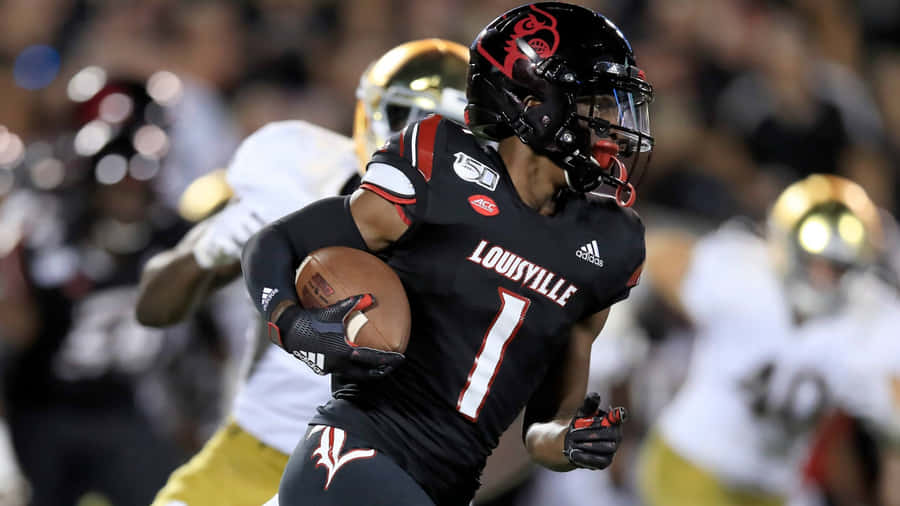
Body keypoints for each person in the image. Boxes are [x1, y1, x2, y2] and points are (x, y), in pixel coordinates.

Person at [241, 3, 654, 505]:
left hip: (445, 490)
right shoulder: (443, 166)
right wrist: (292, 324)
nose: (614, 124)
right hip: (352, 454)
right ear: (532, 102)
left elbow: (543, 428)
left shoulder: (611, 244)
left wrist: (571, 442)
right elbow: (278, 243)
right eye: (597, 103)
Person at [136, 39, 471, 506]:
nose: (421, 149)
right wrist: (214, 247)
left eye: (447, 132)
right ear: (373, 112)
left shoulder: (498, 243)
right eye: (409, 121)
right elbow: (153, 307)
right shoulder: (300, 173)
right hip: (255, 453)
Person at [637, 173, 900, 506]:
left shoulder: (873, 319)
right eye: (814, 261)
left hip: (773, 488)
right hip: (695, 461)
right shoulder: (745, 275)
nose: (822, 277)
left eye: (837, 266)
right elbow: (655, 253)